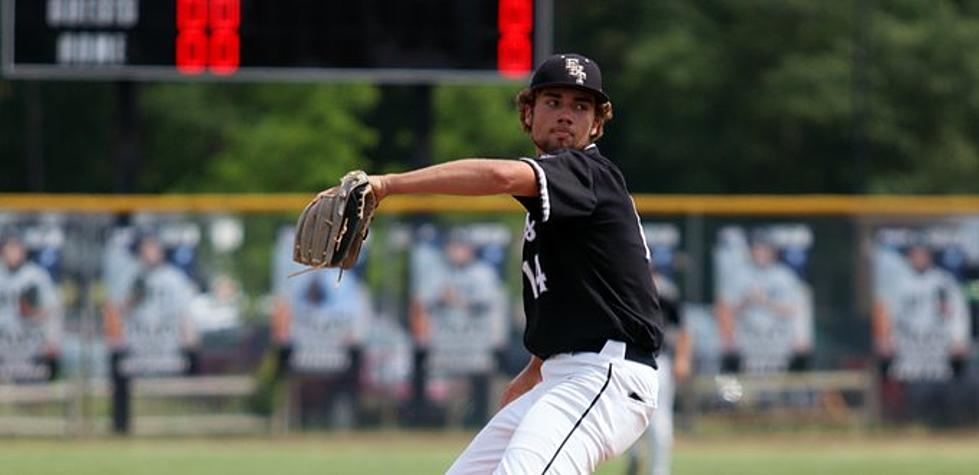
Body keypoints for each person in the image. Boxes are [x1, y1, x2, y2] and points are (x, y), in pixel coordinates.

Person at [318, 53, 664, 474]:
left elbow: (499, 177)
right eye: (553, 102)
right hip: (565, 376)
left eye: (581, 106)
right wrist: (534, 372)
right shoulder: (557, 204)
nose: (566, 115)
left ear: (596, 123)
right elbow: (589, 296)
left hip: (603, 376)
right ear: (528, 112)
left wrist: (388, 185)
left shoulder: (586, 172)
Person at [715, 230, 810, 374]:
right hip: (746, 344)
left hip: (779, 343)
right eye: (757, 248)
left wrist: (765, 301)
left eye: (764, 248)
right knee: (737, 389)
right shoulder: (738, 275)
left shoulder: (784, 275)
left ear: (773, 251)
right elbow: (724, 311)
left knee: (783, 388)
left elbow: (795, 310)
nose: (760, 252)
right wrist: (746, 300)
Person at [626, 271, 690, 475]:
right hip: (626, 362)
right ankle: (634, 457)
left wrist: (682, 358)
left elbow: (683, 328)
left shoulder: (664, 292)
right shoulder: (625, 287)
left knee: (659, 420)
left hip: (658, 362)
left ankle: (659, 471)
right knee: (627, 415)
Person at [0, 231, 62, 381]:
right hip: (4, 344)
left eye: (16, 248)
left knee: (34, 391)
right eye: (9, 248)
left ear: (23, 250)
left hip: (30, 343)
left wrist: (31, 312)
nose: (12, 253)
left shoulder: (37, 276)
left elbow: (53, 310)